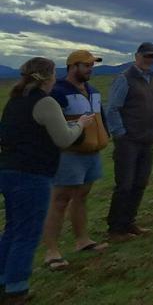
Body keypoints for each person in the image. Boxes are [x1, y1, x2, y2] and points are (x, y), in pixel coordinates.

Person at [0, 58, 91, 304]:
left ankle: (3, 280)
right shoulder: (46, 102)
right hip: (33, 175)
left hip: (8, 171)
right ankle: (16, 289)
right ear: (48, 77)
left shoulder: (15, 100)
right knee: (27, 233)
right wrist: (80, 125)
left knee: (13, 228)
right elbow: (64, 139)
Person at [42, 50, 109, 270]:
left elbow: (102, 117)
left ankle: (82, 240)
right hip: (68, 154)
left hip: (92, 153)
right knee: (60, 200)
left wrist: (105, 136)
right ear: (72, 67)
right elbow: (50, 125)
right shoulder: (57, 92)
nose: (90, 69)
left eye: (92, 65)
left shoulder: (93, 91)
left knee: (82, 196)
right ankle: (51, 251)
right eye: (86, 65)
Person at [105, 42, 153, 240]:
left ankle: (129, 222)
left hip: (147, 139)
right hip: (128, 141)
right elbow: (112, 108)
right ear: (136, 56)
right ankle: (115, 228)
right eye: (146, 56)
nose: (149, 60)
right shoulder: (124, 79)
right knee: (124, 184)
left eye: (152, 56)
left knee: (140, 182)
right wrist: (121, 133)